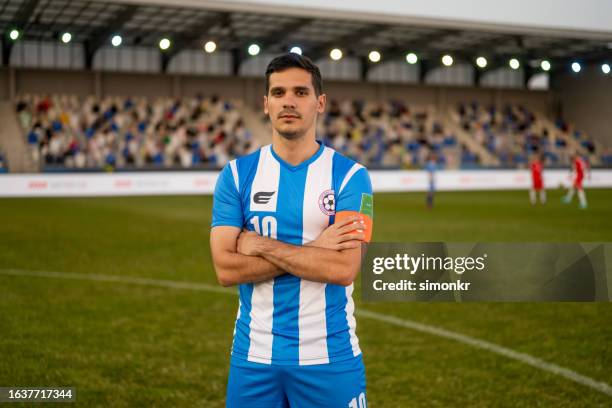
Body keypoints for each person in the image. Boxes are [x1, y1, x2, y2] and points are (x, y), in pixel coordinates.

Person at [210, 53, 373, 407]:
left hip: (329, 356)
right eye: (279, 92)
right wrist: (318, 247)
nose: (289, 101)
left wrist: (258, 245)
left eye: (300, 92)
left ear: (320, 103)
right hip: (253, 357)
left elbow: (343, 269)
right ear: (266, 104)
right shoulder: (237, 176)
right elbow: (225, 269)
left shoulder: (351, 177)